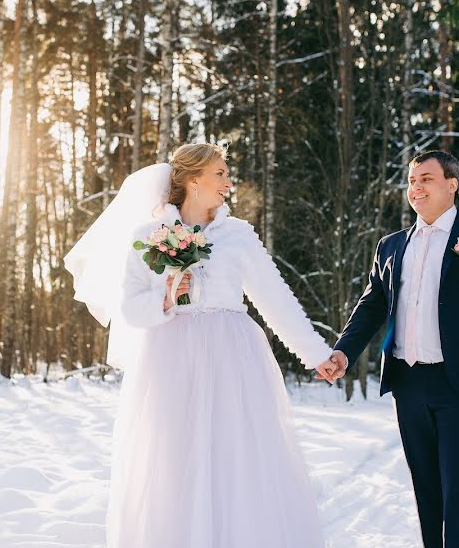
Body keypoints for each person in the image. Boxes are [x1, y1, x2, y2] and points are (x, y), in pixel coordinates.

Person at [65, 143, 336, 548]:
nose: (229, 182)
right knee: (175, 463)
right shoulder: (149, 236)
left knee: (236, 461)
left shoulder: (239, 235)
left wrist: (316, 354)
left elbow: (276, 299)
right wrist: (167, 299)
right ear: (193, 180)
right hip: (170, 362)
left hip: (232, 359)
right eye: (221, 174)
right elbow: (130, 309)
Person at [316, 150, 459, 548]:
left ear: (452, 184)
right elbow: (371, 305)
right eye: (412, 181)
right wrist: (343, 351)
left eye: (426, 179)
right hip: (408, 384)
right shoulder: (391, 245)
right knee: (427, 492)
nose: (416, 188)